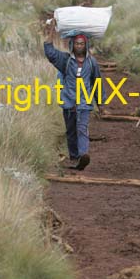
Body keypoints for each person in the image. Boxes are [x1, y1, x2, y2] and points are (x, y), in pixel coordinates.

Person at [44, 21, 105, 170]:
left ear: (86, 45)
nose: (79, 46)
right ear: (72, 45)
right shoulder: (65, 60)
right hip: (69, 101)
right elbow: (50, 53)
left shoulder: (92, 63)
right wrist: (52, 30)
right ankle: (75, 158)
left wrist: (100, 103)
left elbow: (97, 82)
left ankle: (83, 154)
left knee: (82, 128)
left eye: (81, 44)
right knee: (71, 131)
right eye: (77, 44)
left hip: (84, 102)